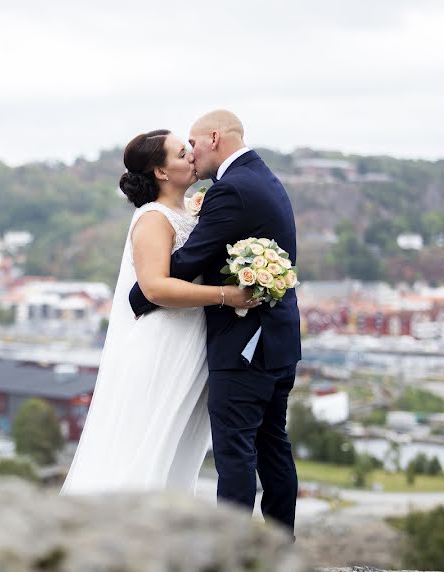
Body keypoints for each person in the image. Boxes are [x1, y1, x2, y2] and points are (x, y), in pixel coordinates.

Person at [129, 111, 301, 534]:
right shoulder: (261, 177)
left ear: (214, 138)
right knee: (272, 447)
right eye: (181, 149)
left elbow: (189, 261)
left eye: (192, 143)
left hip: (245, 346)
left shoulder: (232, 189)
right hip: (276, 341)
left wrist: (140, 293)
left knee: (235, 453)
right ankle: (281, 544)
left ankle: (235, 552)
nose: (190, 153)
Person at [61, 129, 259, 495]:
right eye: (182, 154)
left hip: (190, 341)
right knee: (146, 443)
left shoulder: (188, 212)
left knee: (176, 446)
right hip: (163, 344)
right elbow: (154, 287)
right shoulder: (153, 218)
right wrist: (225, 295)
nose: (192, 156)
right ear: (161, 173)